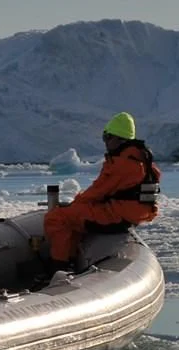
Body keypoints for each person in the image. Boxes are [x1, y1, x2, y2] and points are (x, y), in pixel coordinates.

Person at [42, 111, 161, 275]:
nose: (105, 142)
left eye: (108, 137)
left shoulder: (123, 163)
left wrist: (76, 202)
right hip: (130, 212)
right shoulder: (139, 159)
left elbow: (99, 191)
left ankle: (59, 268)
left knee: (57, 218)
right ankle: (70, 260)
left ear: (119, 139)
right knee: (74, 216)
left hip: (118, 214)